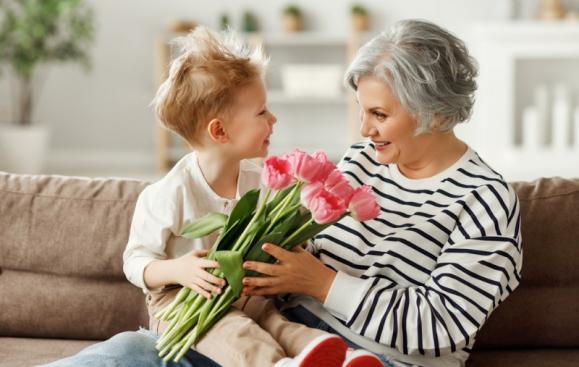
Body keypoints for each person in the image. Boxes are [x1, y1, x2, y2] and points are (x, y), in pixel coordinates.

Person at [43, 26, 385, 367]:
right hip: (183, 304)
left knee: (279, 323)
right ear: (219, 131)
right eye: (262, 112)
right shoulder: (168, 193)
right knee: (235, 331)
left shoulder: (261, 183)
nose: (273, 118)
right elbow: (135, 262)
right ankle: (276, 366)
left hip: (244, 297)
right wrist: (179, 269)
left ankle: (341, 358)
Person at [241, 19, 523, 367]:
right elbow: (314, 253)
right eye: (362, 109)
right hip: (289, 332)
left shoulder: (485, 200)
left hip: (379, 357)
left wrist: (324, 284)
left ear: (434, 113)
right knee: (155, 350)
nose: (364, 128)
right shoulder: (362, 159)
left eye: (379, 114)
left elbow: (442, 324)